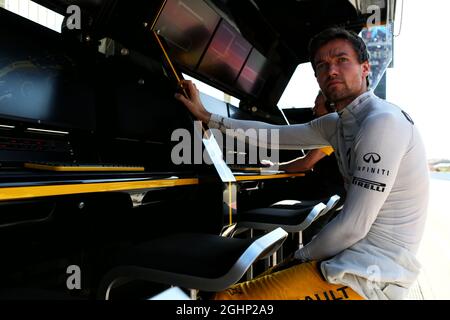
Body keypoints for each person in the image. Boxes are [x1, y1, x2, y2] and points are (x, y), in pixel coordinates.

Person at [175, 27, 429, 300]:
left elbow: (353, 226)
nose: (331, 70)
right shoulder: (338, 123)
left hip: (369, 279)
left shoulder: (382, 121)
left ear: (365, 67)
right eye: (322, 65)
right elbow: (272, 135)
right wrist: (209, 118)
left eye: (341, 60)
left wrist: (297, 257)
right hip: (349, 260)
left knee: (228, 300)